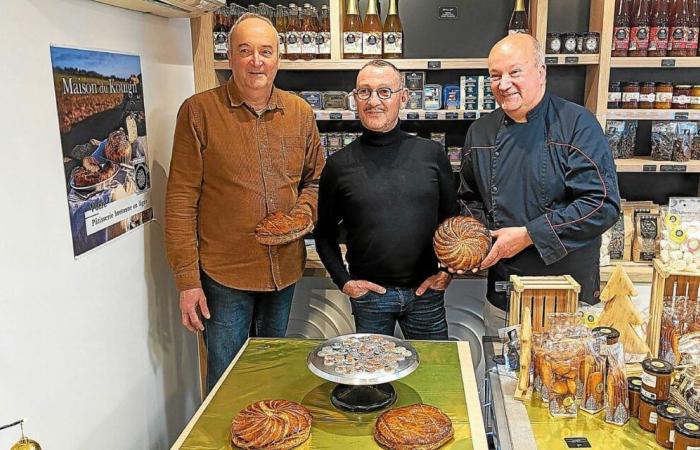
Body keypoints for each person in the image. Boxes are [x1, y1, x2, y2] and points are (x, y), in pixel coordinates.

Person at [165, 13, 324, 391]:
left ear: (278, 59)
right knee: (227, 380)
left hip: (284, 271)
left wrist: (304, 212)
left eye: (265, 52)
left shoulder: (299, 112)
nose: (256, 61)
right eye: (245, 51)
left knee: (270, 375)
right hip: (224, 276)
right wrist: (188, 280)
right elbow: (181, 200)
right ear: (230, 56)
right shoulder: (199, 111)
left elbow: (317, 179)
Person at [454, 34, 621, 336]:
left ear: (541, 72)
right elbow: (469, 198)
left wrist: (530, 234)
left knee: (564, 379)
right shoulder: (480, 132)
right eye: (495, 75)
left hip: (566, 294)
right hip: (504, 295)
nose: (503, 84)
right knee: (501, 377)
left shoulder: (577, 124)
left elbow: (601, 204)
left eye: (514, 72)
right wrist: (478, 240)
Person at [314, 60, 458, 340]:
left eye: (384, 92)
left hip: (426, 294)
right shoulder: (338, 165)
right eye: (364, 92)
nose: (373, 101)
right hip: (370, 299)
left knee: (436, 375)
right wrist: (345, 282)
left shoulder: (431, 154)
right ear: (355, 99)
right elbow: (324, 235)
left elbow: (451, 224)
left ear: (403, 97)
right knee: (372, 382)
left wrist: (447, 272)